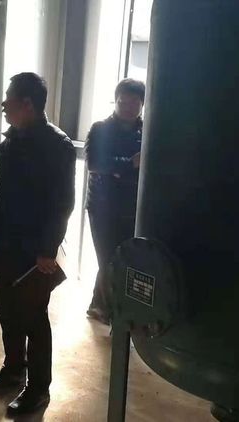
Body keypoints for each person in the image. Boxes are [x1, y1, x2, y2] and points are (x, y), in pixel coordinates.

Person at [0, 72, 76, 416]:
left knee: (33, 317)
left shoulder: (57, 145)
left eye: (9, 98)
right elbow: (0, 188)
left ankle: (38, 389)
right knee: (6, 309)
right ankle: (13, 369)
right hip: (7, 242)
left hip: (35, 250)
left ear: (28, 104)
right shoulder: (11, 142)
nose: (4, 104)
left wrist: (48, 249)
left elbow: (63, 203)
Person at [85, 79, 145, 325]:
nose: (128, 107)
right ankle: (113, 312)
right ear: (115, 101)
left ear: (142, 104)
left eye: (134, 103)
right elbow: (95, 164)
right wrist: (130, 164)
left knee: (127, 259)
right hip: (103, 206)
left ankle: (100, 305)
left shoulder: (149, 131)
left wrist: (118, 169)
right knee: (108, 258)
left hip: (134, 207)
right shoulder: (100, 129)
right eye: (123, 102)